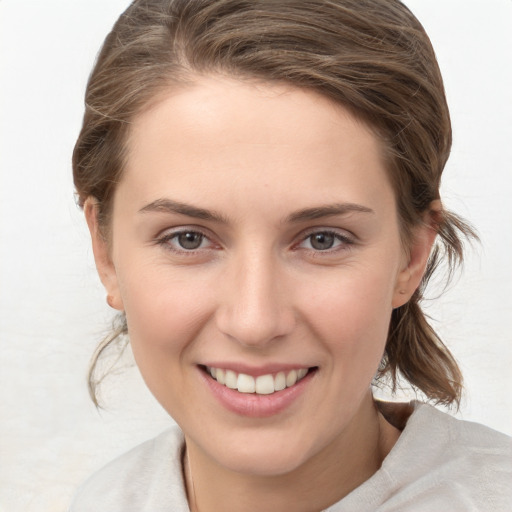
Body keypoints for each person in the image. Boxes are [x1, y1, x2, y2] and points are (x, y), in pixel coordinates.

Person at [68, 0, 512, 510]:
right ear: (106, 252)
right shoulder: (101, 499)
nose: (254, 322)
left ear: (412, 255)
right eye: (188, 238)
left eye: (323, 239)